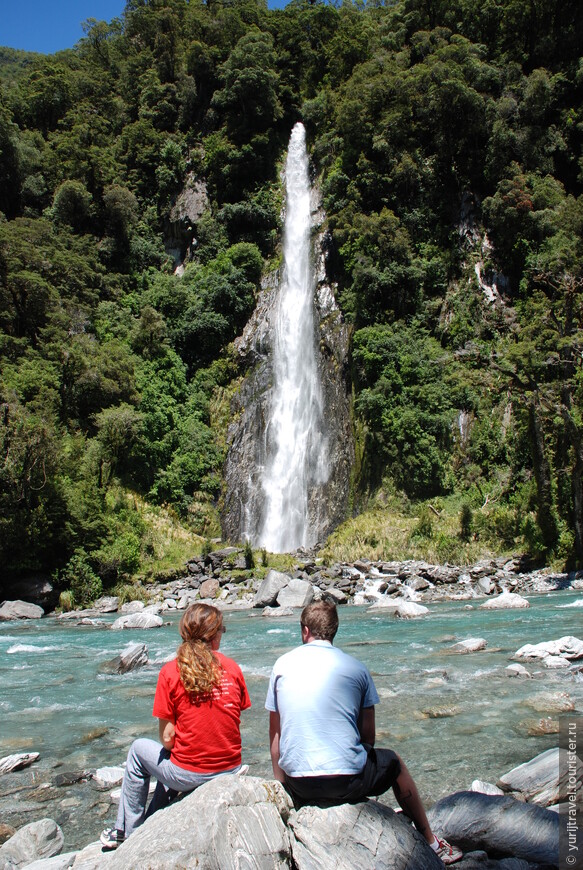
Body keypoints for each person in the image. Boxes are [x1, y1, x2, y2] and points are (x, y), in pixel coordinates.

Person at [265, 600, 462, 866]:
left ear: (304, 631)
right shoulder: (357, 668)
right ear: (335, 631)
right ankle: (430, 840)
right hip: (348, 782)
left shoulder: (281, 666)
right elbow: (368, 736)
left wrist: (284, 786)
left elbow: (275, 736)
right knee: (394, 762)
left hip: (299, 784)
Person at [100, 603, 251, 850]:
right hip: (230, 768)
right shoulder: (233, 668)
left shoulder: (171, 671)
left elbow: (168, 739)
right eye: (222, 629)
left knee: (139, 750)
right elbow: (234, 718)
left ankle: (129, 832)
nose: (223, 634)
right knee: (172, 756)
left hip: (189, 775)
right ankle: (148, 819)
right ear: (214, 636)